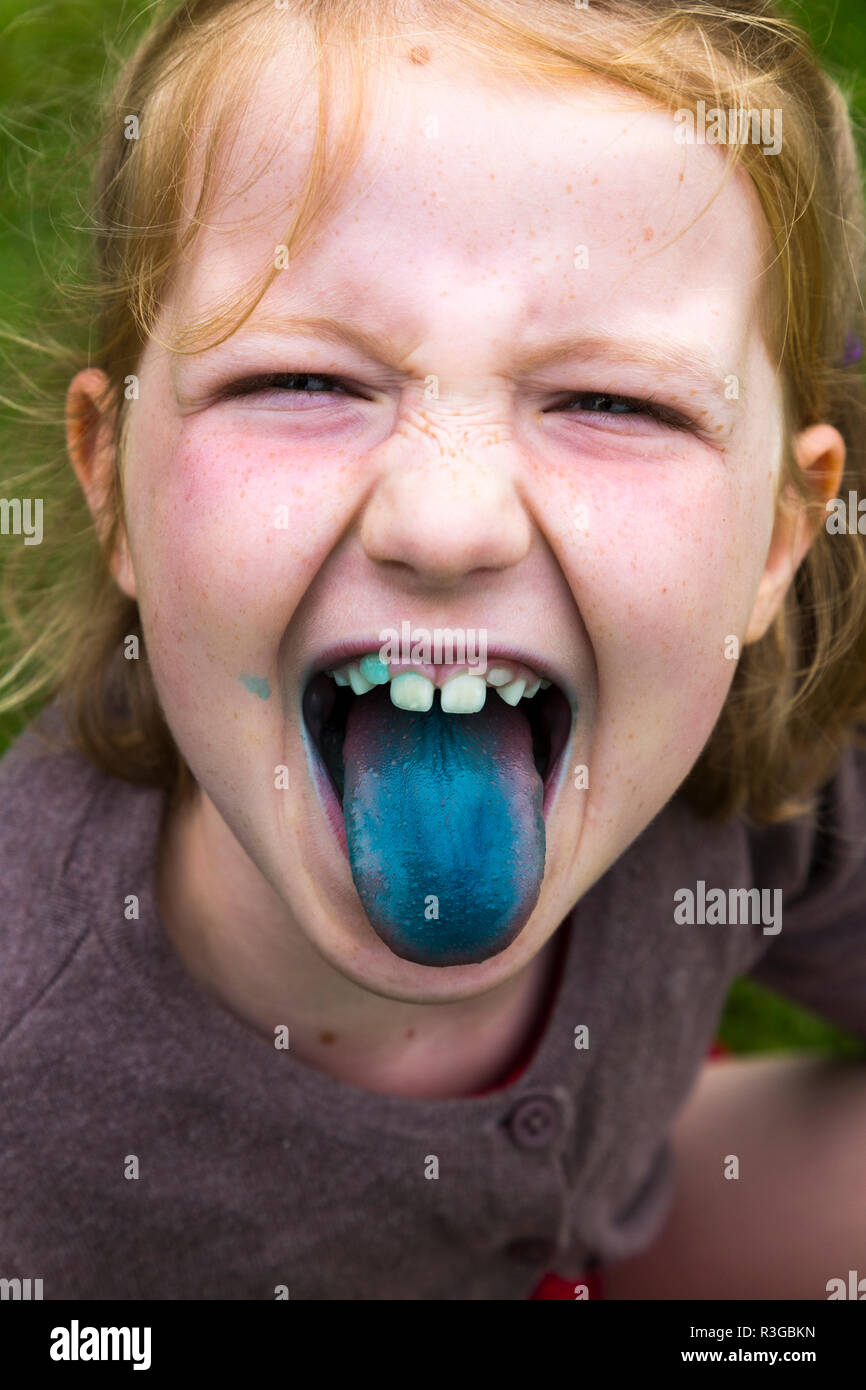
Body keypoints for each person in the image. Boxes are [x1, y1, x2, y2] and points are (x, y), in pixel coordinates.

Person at [1, 0, 865, 1300]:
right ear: (113, 481)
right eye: (303, 384)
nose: (445, 521)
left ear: (771, 544)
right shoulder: (32, 1081)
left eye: (610, 401)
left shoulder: (752, 791)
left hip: (608, 1218)